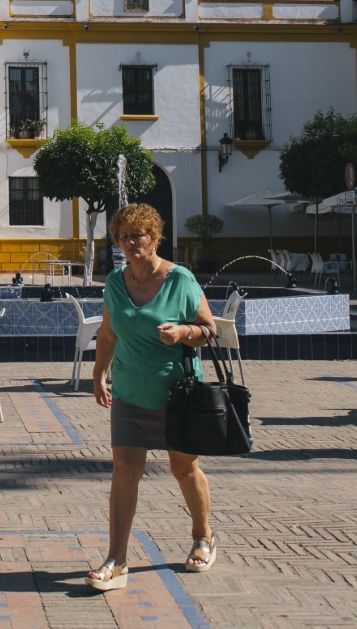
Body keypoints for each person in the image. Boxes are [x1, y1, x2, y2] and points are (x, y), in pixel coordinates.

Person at [88, 203, 219, 590]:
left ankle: (203, 536)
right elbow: (108, 334)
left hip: (175, 395)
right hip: (129, 392)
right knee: (124, 471)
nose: (130, 243)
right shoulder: (115, 282)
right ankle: (116, 559)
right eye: (123, 237)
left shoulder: (180, 280)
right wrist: (98, 375)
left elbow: (210, 330)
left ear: (155, 237)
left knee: (184, 469)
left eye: (137, 235)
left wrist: (182, 333)